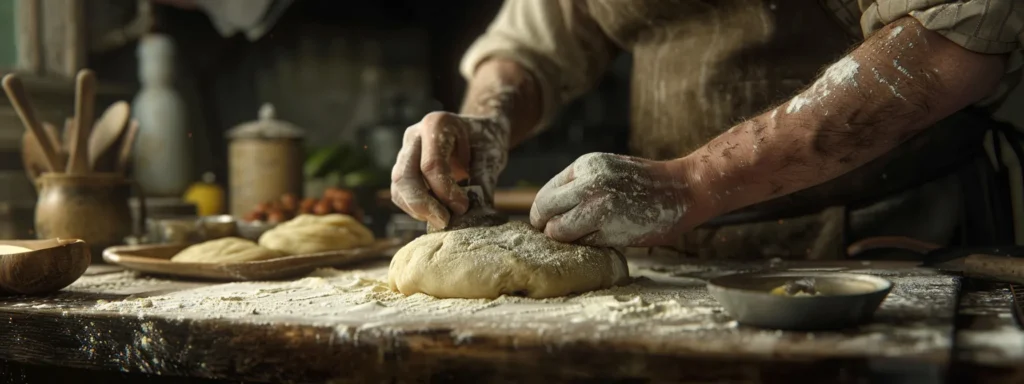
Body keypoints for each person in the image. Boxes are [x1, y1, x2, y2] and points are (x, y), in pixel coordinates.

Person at [397, 0, 1023, 260]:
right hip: (667, 257)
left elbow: (952, 41)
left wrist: (694, 181)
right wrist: (490, 114)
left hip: (885, 240)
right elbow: (536, 42)